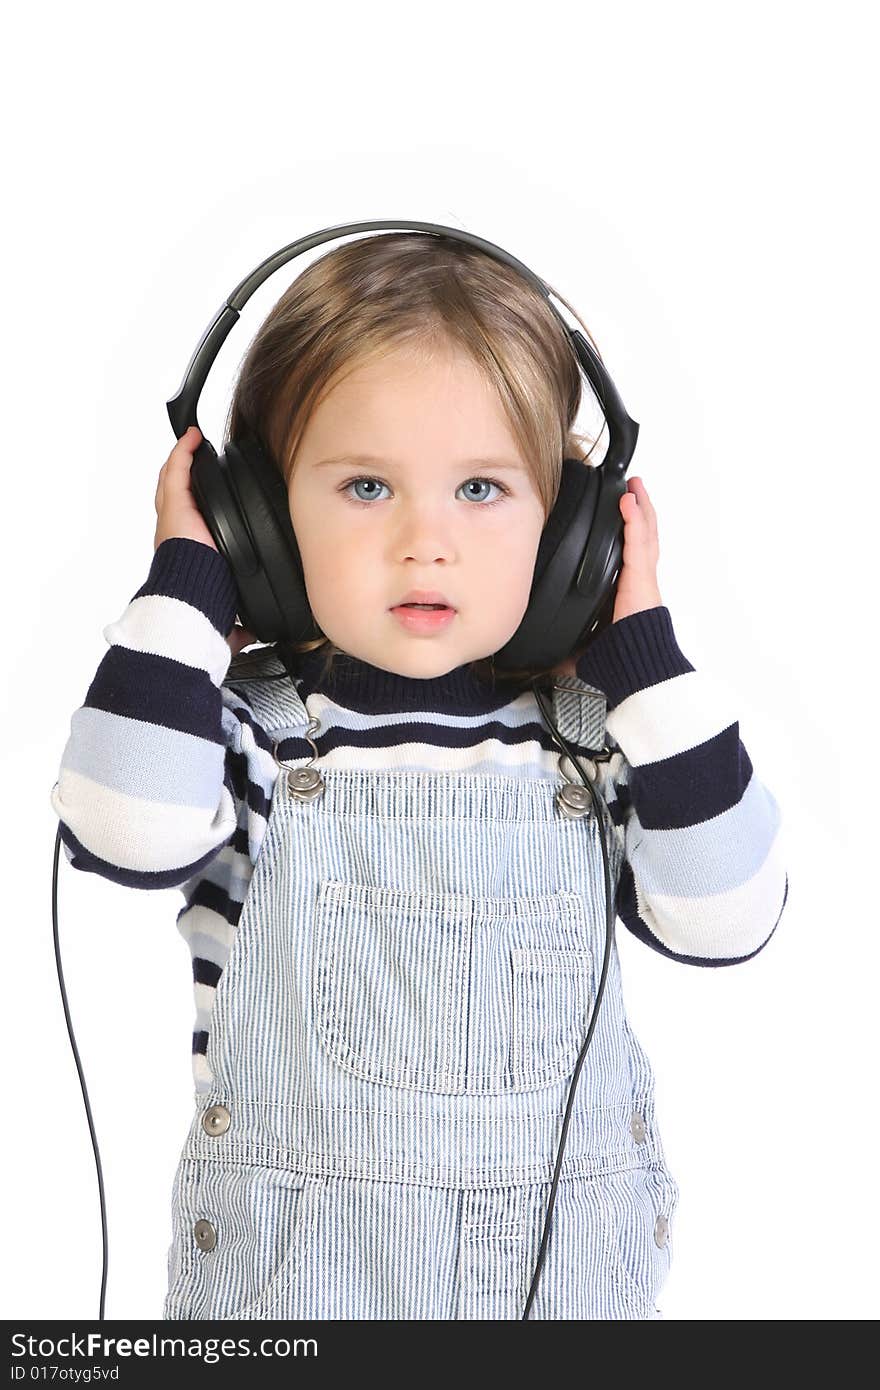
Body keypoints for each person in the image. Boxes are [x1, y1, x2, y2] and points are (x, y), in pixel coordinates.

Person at [50, 232, 788, 1320]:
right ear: (258, 518)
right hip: (294, 1297)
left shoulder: (595, 741)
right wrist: (187, 589)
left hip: (561, 1287)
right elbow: (122, 823)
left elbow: (730, 915)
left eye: (482, 487)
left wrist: (645, 661)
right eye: (362, 485)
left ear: (574, 532)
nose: (423, 540)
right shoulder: (246, 736)